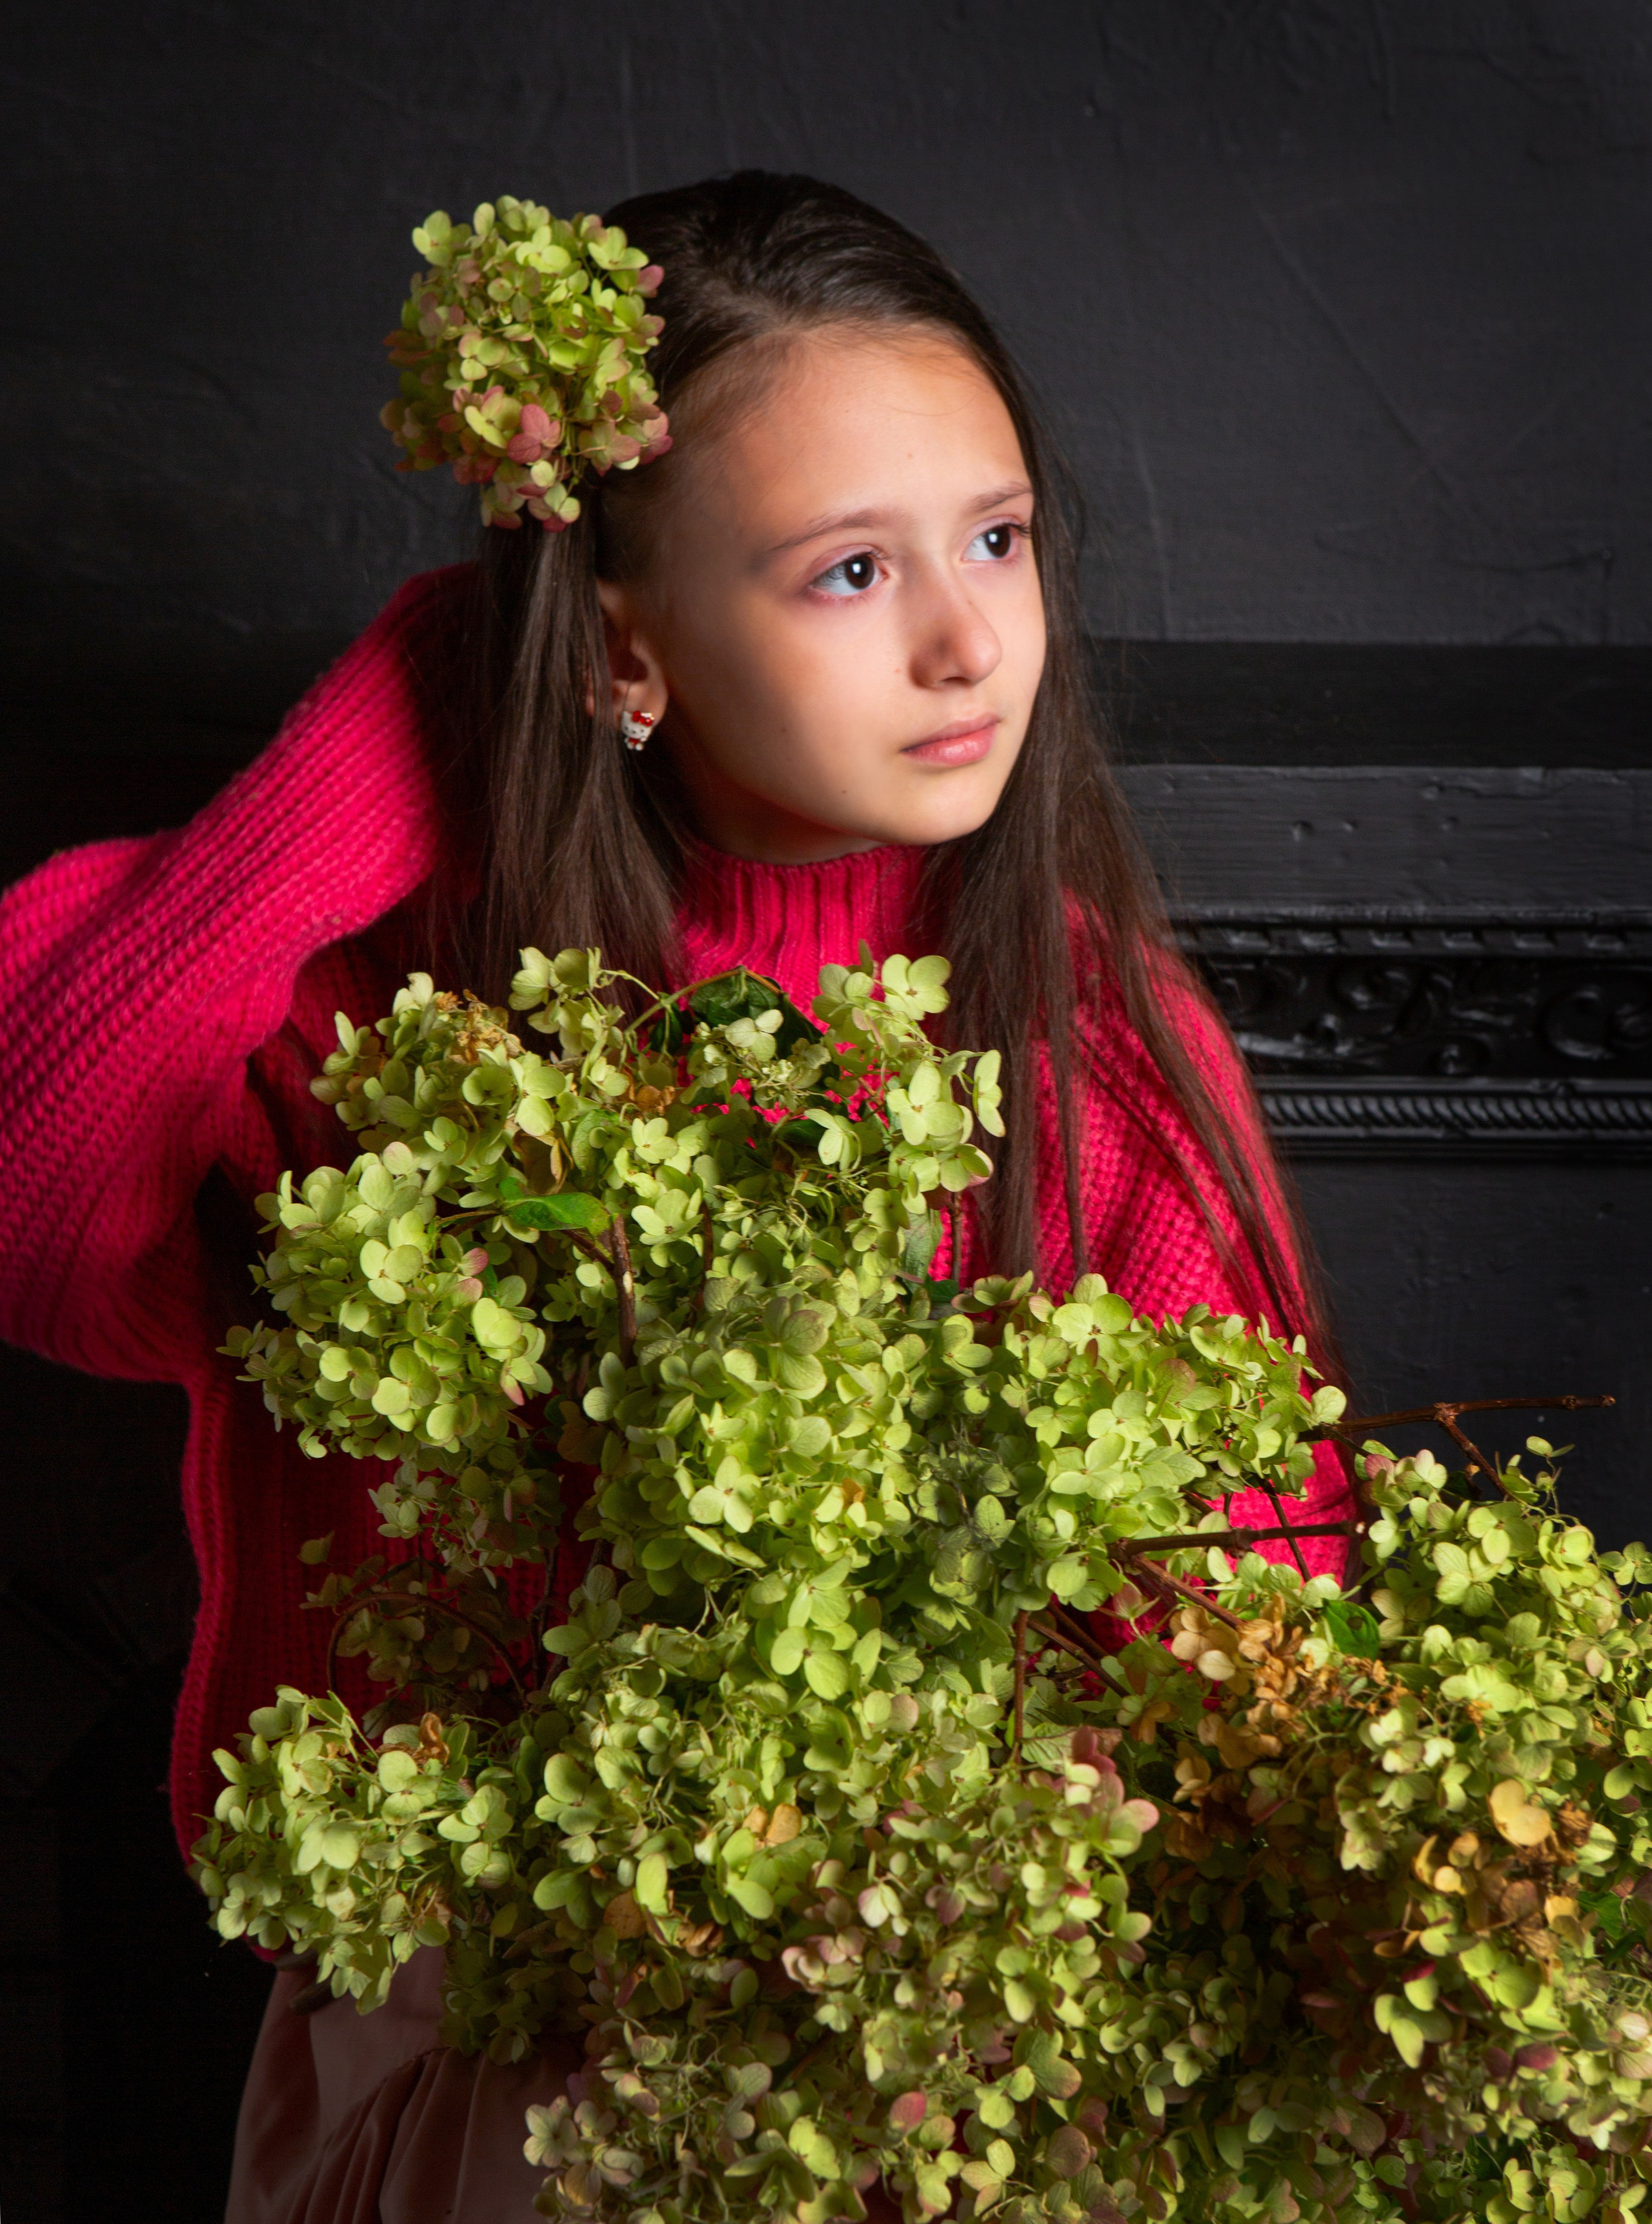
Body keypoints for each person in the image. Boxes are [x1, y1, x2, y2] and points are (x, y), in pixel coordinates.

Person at [0, 170, 1355, 2221]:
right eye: (846, 573)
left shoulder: (1092, 1044)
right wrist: (436, 698)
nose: (966, 637)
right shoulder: (379, 1040)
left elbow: (1255, 1640)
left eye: (999, 539)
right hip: (479, 2053)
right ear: (625, 640)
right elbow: (37, 1184)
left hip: (961, 2072)